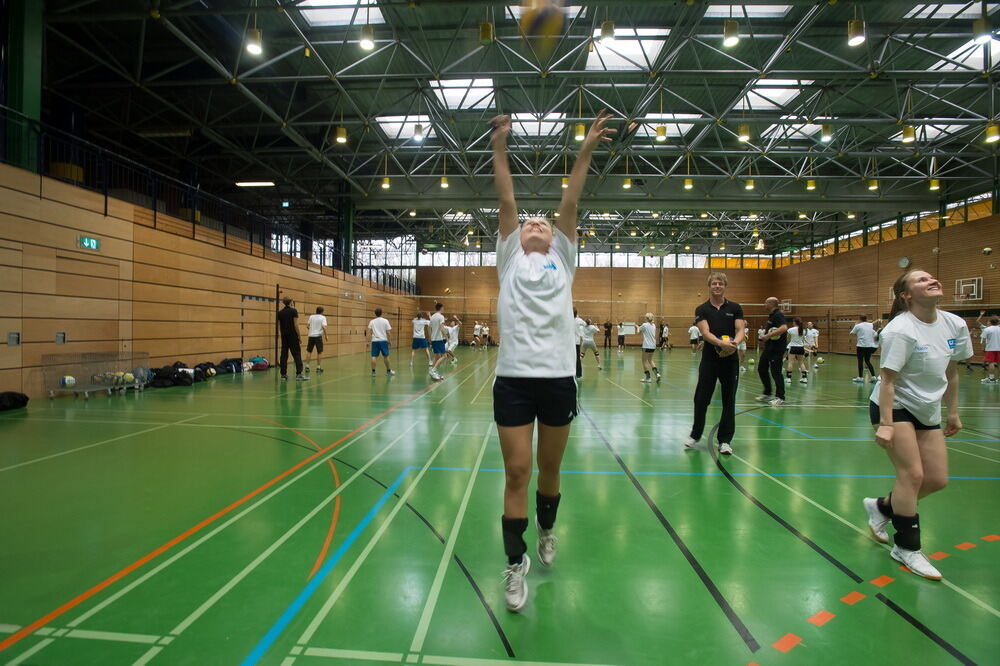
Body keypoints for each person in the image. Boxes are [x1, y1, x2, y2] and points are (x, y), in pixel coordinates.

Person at [490, 110, 614, 612]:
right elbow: (506, 198)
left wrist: (584, 150)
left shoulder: (564, 257)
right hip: (514, 381)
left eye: (543, 221)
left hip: (559, 378)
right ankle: (515, 563)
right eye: (528, 223)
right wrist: (499, 148)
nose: (536, 222)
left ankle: (546, 528)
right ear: (517, 237)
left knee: (548, 468)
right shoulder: (509, 258)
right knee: (517, 471)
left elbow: (571, 198)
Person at [862, 269, 972, 580]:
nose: (932, 280)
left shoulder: (955, 324)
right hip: (894, 405)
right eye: (921, 280)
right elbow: (887, 379)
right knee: (912, 475)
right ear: (906, 295)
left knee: (936, 479)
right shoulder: (901, 329)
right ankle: (907, 547)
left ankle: (882, 508)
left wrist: (953, 412)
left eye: (932, 277)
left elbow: (951, 372)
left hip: (928, 408)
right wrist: (885, 423)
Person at [683, 273, 745, 455]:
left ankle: (725, 440)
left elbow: (740, 329)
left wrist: (734, 345)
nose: (717, 286)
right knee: (701, 398)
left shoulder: (735, 307)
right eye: (714, 283)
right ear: (709, 286)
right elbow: (705, 332)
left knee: (729, 400)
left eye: (720, 284)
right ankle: (695, 435)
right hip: (710, 361)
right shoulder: (702, 309)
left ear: (725, 286)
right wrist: (720, 344)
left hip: (730, 361)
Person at [755, 297, 787, 406]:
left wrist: (768, 336)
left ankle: (780, 397)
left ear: (771, 304)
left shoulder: (778, 314)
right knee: (761, 368)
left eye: (766, 302)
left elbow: (783, 328)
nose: (764, 304)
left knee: (776, 372)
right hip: (769, 348)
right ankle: (767, 393)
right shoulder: (771, 316)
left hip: (777, 349)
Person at [277, 297, 307, 381]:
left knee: (284, 355)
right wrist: (299, 336)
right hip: (293, 336)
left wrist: (281, 334)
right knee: (297, 354)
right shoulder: (294, 311)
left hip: (284, 336)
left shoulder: (280, 313)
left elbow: (279, 326)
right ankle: (299, 374)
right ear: (291, 302)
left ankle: (283, 374)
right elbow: (295, 324)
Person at [851, 315, 879, 382]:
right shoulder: (870, 325)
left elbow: (852, 333)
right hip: (869, 346)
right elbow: (874, 333)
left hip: (861, 346)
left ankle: (860, 377)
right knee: (867, 361)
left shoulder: (858, 325)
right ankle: (873, 377)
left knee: (860, 361)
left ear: (860, 319)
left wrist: (856, 325)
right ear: (866, 319)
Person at [367, 307, 395, 376]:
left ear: (375, 313)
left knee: (374, 356)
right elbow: (388, 332)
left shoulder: (372, 321)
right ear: (381, 313)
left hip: (375, 341)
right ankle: (388, 371)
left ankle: (373, 372)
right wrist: (390, 341)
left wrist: (368, 342)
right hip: (383, 341)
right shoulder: (385, 321)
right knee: (386, 356)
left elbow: (369, 332)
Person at [976, 311, 999, 383]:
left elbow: (983, 339)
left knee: (991, 363)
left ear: (990, 322)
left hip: (991, 348)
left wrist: (983, 347)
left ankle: (991, 379)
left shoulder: (987, 329)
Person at [785, 317, 809, 384]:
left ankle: (788, 378)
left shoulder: (790, 330)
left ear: (795, 322)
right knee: (801, 362)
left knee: (790, 362)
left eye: (793, 322)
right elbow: (803, 340)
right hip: (801, 347)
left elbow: (788, 339)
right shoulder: (803, 330)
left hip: (793, 347)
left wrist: (787, 344)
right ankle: (804, 378)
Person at [304, 306, 328, 374]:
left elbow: (307, 326)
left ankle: (307, 366)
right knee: (319, 352)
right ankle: (318, 367)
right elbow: (324, 327)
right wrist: (326, 336)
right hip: (318, 337)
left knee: (309, 351)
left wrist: (312, 330)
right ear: (322, 312)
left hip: (311, 336)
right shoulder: (323, 317)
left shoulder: (311, 316)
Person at [639, 313, 660, 383]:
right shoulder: (653, 325)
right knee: (650, 360)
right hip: (653, 345)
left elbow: (638, 332)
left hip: (646, 345)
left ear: (647, 318)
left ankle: (648, 378)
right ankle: (657, 373)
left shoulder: (644, 325)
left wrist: (637, 327)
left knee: (644, 361)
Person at [429, 303, 448, 380]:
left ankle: (433, 372)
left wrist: (430, 337)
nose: (444, 309)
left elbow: (428, 327)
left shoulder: (433, 316)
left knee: (437, 357)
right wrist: (446, 336)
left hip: (433, 339)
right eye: (443, 308)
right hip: (439, 339)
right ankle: (433, 370)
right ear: (441, 308)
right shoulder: (441, 317)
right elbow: (441, 327)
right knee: (444, 356)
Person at [573, 308, 586, 379]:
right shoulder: (579, 320)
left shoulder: (568, 319)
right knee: (578, 358)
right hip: (577, 342)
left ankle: (570, 374)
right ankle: (579, 374)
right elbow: (585, 324)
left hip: (570, 343)